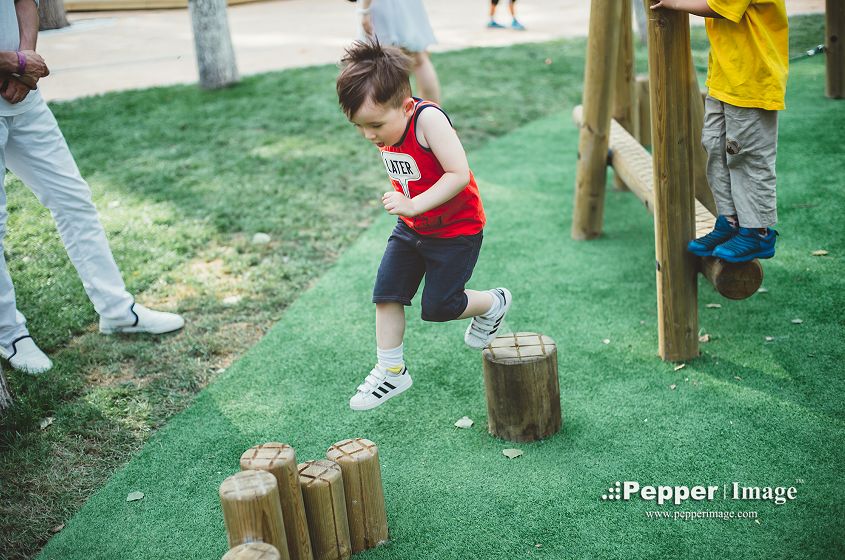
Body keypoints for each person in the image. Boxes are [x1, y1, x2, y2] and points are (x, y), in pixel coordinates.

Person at [0, 0, 184, 375]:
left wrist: (26, 64)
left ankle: (117, 311)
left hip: (25, 96)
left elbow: (24, 1)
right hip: (13, 75)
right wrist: (15, 64)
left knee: (73, 200)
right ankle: (10, 335)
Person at [336, 41, 512, 411]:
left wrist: (413, 202)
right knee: (387, 294)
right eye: (359, 127)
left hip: (455, 231)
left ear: (404, 106)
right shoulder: (386, 124)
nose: (369, 136)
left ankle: (493, 303)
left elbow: (458, 174)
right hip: (412, 228)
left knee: (439, 307)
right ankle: (392, 370)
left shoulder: (428, 120)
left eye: (375, 125)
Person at [651, 0, 787, 263]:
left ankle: (757, 231)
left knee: (745, 155)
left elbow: (716, 6)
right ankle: (731, 221)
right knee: (714, 145)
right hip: (725, 77)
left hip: (752, 81)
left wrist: (674, 3)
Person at [356, 0, 441, 104]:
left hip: (383, 4)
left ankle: (396, 114)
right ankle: (431, 112)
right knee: (419, 59)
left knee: (383, 60)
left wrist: (365, 10)